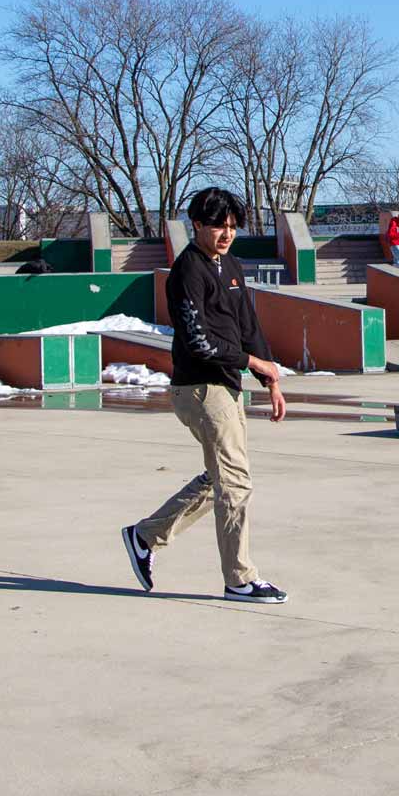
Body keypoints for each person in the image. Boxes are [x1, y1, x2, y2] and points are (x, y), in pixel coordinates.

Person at [122, 187, 289, 602]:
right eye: (218, 226)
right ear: (197, 224)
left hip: (226, 386)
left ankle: (145, 536)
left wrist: (272, 380)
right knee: (235, 482)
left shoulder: (229, 264)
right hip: (199, 386)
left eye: (233, 227)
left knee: (222, 478)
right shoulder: (187, 272)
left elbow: (247, 323)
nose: (226, 234)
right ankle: (240, 579)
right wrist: (253, 363)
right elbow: (199, 342)